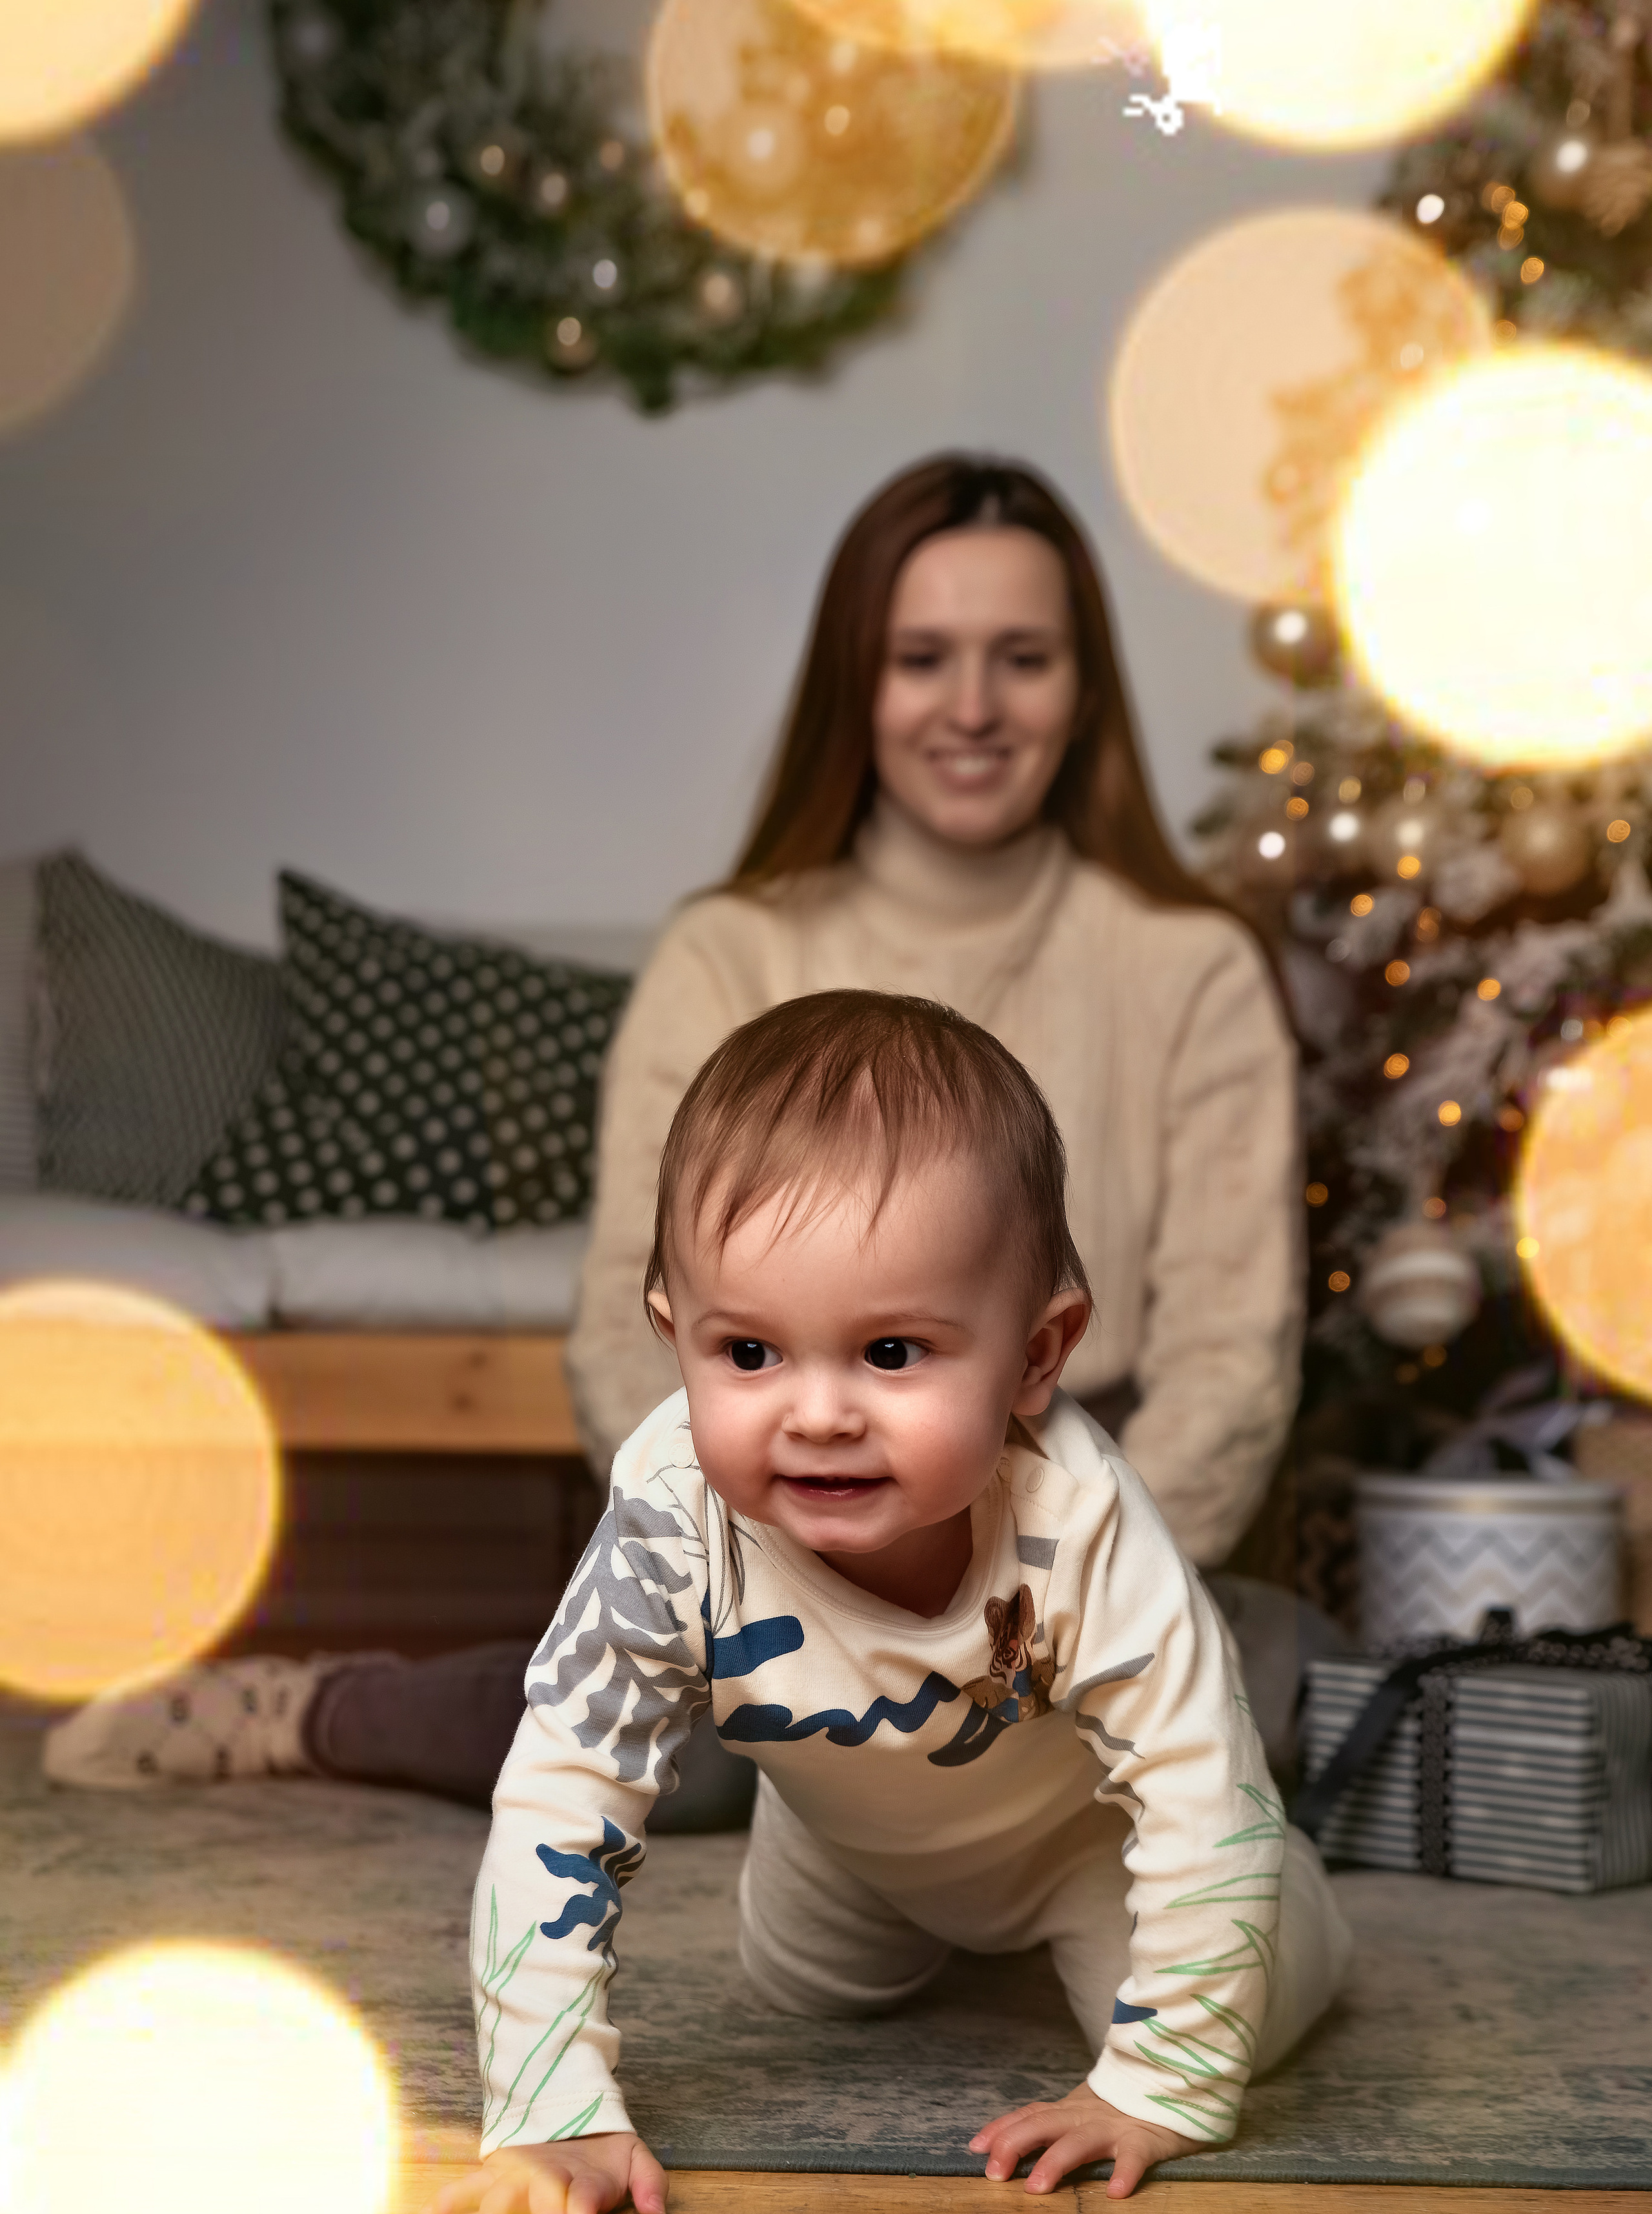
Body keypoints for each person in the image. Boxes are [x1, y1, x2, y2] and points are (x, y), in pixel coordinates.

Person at [43, 452, 1335, 1814]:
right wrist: (770, 1556)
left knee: (1276, 1681)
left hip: (1076, 1521)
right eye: (921, 659)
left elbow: (1230, 1356)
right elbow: (624, 1316)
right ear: (858, 684)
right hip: (789, 1510)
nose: (971, 707)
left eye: (1020, 658)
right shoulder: (729, 950)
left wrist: (1058, 1604)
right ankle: (312, 1707)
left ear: (1080, 693)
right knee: (706, 1746)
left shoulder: (1187, 966)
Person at [425, 992, 1351, 2214]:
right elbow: (561, 1792)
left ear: (1035, 1356)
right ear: (674, 1339)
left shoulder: (1076, 1520)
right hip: (840, 1831)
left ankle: (1308, 1909)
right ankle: (842, 1832)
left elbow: (1195, 1792)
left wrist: (1163, 2083)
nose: (816, 1414)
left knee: (1237, 2003)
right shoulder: (667, 1517)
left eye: (892, 1354)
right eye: (747, 1354)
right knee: (803, 1992)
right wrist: (545, 2104)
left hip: (1072, 1831)